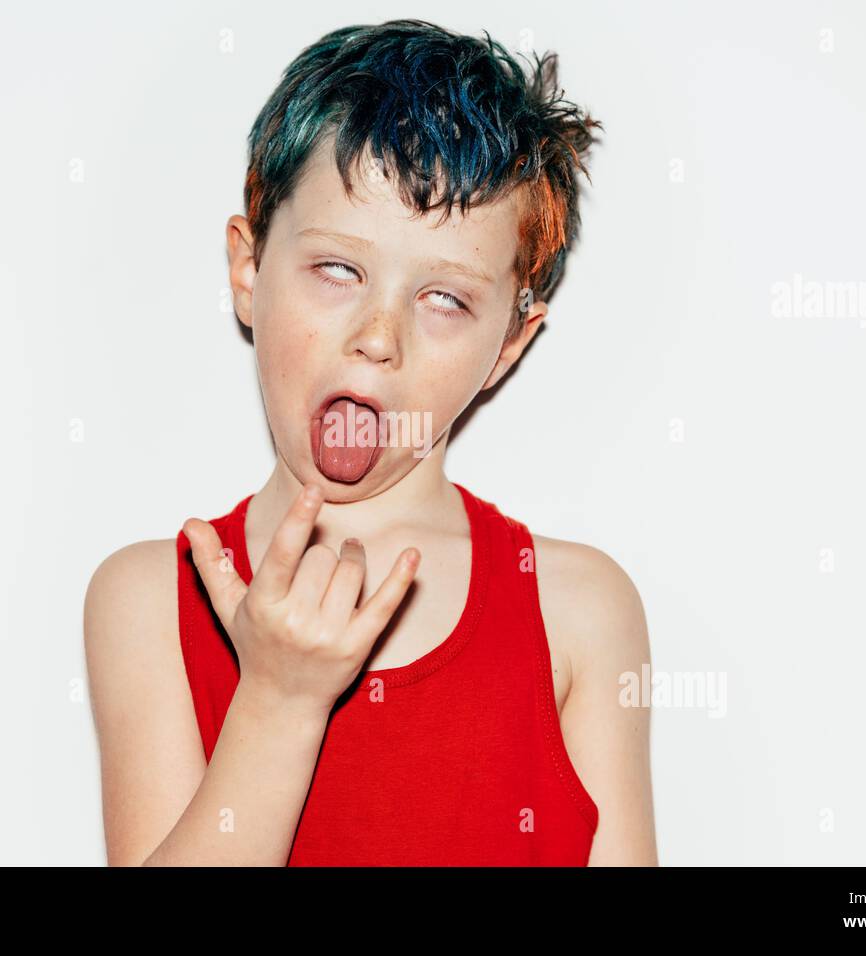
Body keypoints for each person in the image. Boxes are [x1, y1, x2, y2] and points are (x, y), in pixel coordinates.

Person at [84, 18, 657, 866]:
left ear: (509, 345)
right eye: (338, 271)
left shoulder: (578, 610)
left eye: (445, 300)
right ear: (248, 272)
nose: (379, 336)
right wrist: (279, 698)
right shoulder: (148, 604)